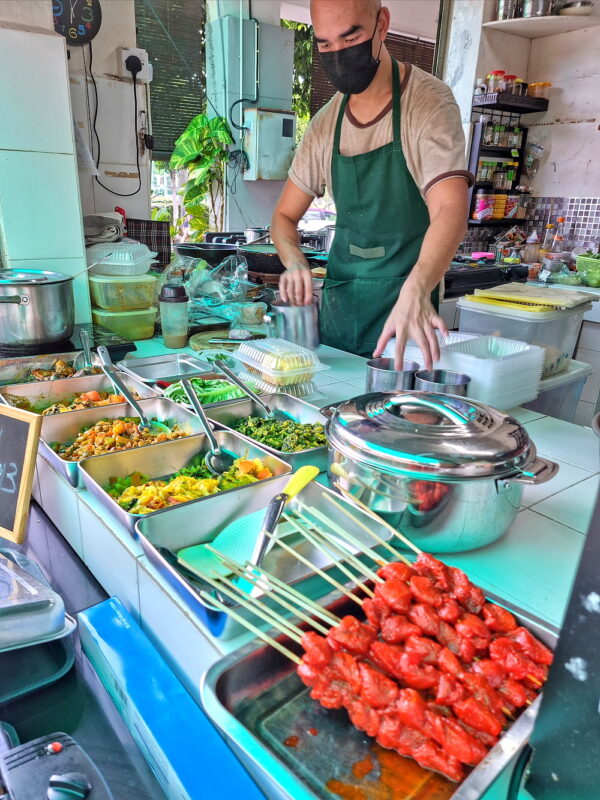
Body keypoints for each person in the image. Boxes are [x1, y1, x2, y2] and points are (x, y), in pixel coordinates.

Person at [271, 0, 472, 368]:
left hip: (405, 315)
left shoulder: (427, 103)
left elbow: (450, 210)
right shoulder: (324, 125)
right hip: (340, 314)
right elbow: (284, 217)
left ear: (382, 24)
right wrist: (295, 261)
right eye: (325, 45)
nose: (338, 55)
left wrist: (417, 288)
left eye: (351, 38)